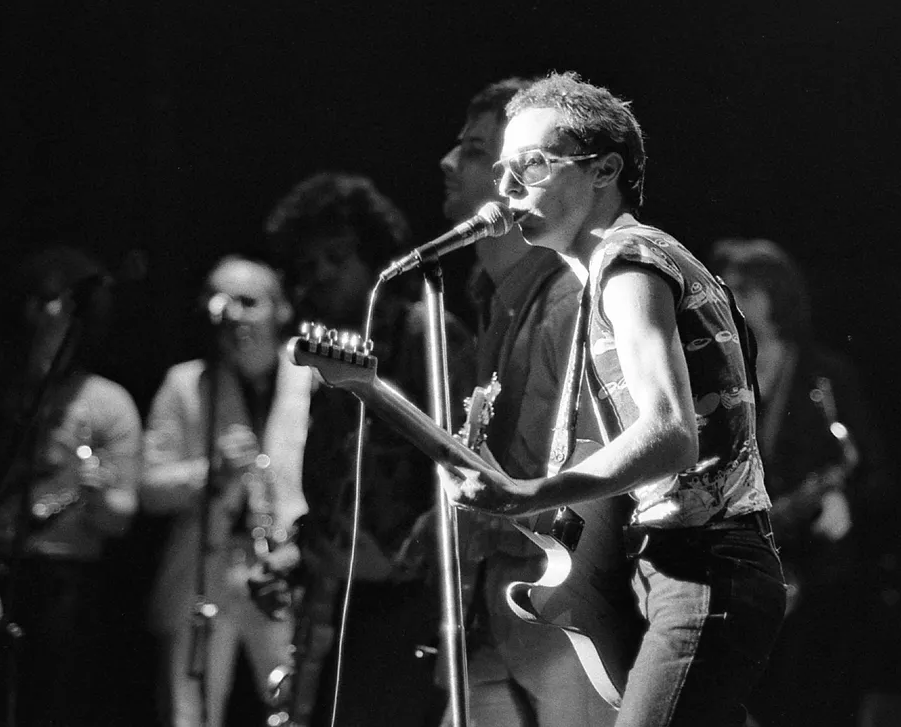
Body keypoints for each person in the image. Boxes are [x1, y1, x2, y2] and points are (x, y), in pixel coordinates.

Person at [440, 72, 788, 727]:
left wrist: (528, 494)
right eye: (504, 170)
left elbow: (670, 433)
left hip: (704, 568)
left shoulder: (628, 260)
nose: (506, 188)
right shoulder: (627, 268)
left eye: (532, 165)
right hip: (680, 569)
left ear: (605, 170)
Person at [435, 76, 617, 726]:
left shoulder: (570, 301)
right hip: (502, 617)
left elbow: (584, 488)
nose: (447, 163)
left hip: (562, 626)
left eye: (473, 150)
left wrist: (480, 514)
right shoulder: (495, 301)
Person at [265, 172, 475, 727]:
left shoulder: (425, 332)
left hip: (409, 602)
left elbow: (467, 462)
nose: (321, 275)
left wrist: (403, 556)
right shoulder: (335, 352)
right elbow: (334, 474)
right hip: (343, 598)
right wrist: (304, 549)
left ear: (372, 254)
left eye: (337, 257)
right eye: (309, 265)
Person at [709, 238, 894, 727]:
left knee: (816, 701)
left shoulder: (827, 376)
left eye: (745, 289)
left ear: (778, 295)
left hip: (815, 574)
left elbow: (872, 469)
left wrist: (844, 499)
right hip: (745, 569)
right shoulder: (718, 375)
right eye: (728, 289)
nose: (732, 299)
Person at [141, 253, 312, 727]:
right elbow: (148, 486)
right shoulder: (185, 383)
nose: (233, 314)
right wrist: (209, 472)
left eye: (249, 302)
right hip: (206, 566)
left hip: (284, 569)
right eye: (220, 301)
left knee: (295, 705)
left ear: (281, 309)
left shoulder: (312, 380)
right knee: (190, 712)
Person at [0, 245, 142, 727]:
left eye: (50, 302)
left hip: (65, 583)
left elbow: (120, 518)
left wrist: (95, 494)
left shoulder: (108, 402)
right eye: (31, 301)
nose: (36, 315)